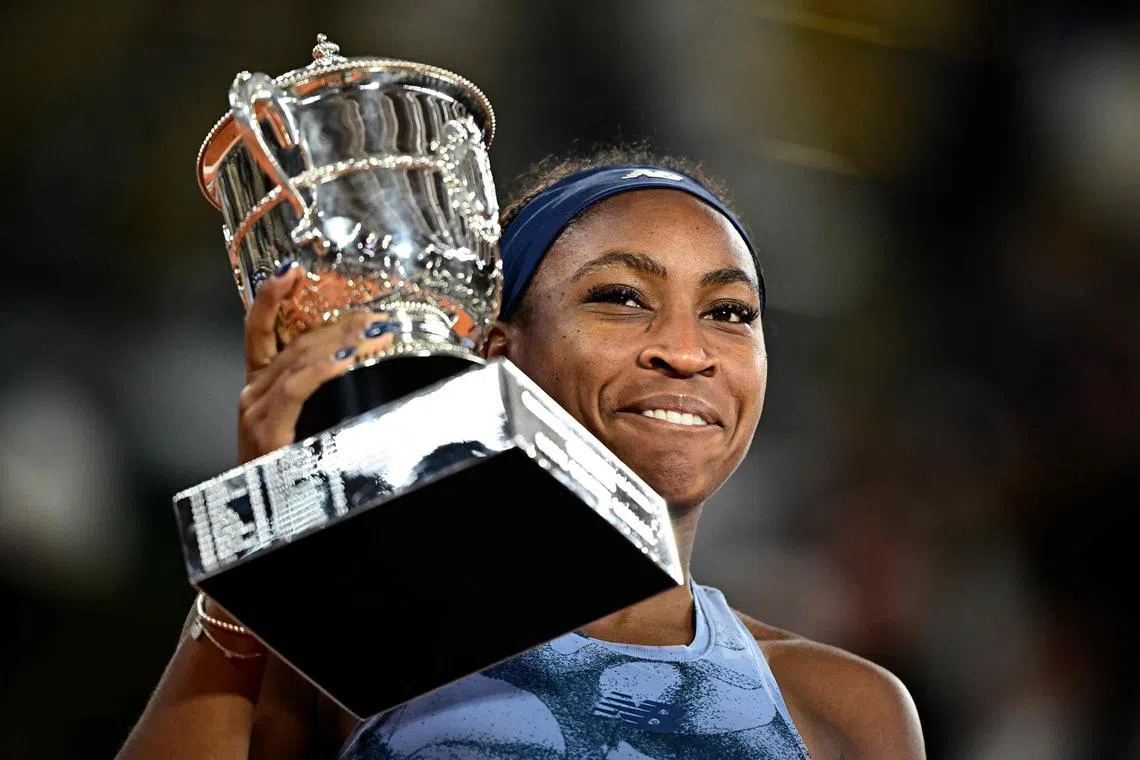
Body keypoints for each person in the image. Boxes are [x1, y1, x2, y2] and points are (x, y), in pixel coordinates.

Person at [117, 147, 925, 759]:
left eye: (729, 312)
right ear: (498, 354)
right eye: (620, 298)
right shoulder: (348, 651)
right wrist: (265, 556)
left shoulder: (845, 709)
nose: (687, 351)